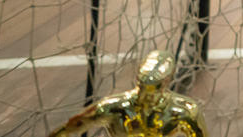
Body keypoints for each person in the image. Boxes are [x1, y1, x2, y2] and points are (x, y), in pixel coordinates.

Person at [47, 51, 208, 137]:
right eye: (144, 87)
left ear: (166, 82)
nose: (148, 95)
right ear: (137, 81)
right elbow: (69, 128)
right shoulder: (112, 108)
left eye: (155, 88)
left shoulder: (184, 112)